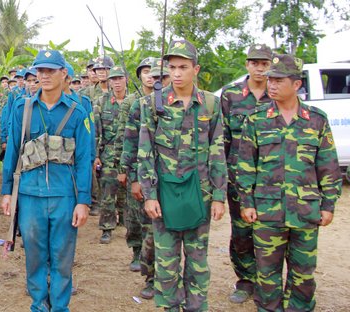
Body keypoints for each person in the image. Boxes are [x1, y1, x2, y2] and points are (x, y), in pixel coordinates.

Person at [235, 53, 342, 312]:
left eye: (278, 80)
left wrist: (328, 205)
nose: (271, 85)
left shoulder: (316, 120)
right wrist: (246, 202)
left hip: (305, 211)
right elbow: (246, 166)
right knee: (267, 273)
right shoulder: (257, 119)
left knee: (303, 273)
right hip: (267, 211)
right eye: (270, 79)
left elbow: (328, 165)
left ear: (296, 84)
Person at [0, 50, 94, 311]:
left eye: (50, 70)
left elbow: (84, 158)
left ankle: (60, 306)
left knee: (63, 256)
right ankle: (39, 304)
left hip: (65, 195)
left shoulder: (77, 112)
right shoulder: (23, 108)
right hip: (30, 194)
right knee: (34, 254)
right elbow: (13, 153)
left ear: (64, 73)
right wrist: (7, 191)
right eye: (40, 71)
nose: (44, 75)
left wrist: (83, 201)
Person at [138, 39, 227, 311]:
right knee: (166, 262)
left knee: (198, 261)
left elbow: (217, 151)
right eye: (172, 67)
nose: (176, 73)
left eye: (183, 67)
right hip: (165, 196)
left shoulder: (210, 104)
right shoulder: (153, 103)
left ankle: (197, 307)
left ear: (195, 69)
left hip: (199, 194)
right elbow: (146, 152)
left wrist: (219, 196)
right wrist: (149, 195)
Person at [219, 43, 274, 304]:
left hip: (271, 178)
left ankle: (268, 282)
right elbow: (222, 139)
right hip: (238, 177)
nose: (260, 68)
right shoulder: (231, 95)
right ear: (247, 65)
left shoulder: (277, 93)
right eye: (255, 63)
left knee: (270, 232)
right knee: (242, 231)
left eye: (264, 63)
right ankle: (245, 280)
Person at [92, 66, 137, 247]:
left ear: (126, 79)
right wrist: (95, 155)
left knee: (128, 192)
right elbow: (96, 131)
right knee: (108, 192)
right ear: (109, 82)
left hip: (130, 153)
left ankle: (126, 223)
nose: (117, 82)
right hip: (108, 153)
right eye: (113, 79)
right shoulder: (101, 102)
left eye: (120, 78)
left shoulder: (135, 100)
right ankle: (107, 228)